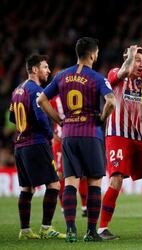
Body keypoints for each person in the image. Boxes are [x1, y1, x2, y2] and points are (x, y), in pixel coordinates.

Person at [37, 37, 116, 242]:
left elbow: (41, 99)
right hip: (91, 134)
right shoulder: (97, 78)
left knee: (70, 182)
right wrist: (102, 118)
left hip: (69, 135)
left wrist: (59, 120)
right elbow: (111, 101)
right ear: (92, 54)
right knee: (94, 183)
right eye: (96, 53)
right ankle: (91, 232)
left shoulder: (62, 76)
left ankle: (71, 229)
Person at [97, 45, 142, 240]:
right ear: (127, 58)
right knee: (116, 180)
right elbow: (124, 70)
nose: (140, 64)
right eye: (136, 61)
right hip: (118, 136)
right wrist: (131, 56)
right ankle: (102, 228)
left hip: (141, 138)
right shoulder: (116, 73)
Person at [9, 54, 65, 240]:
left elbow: (12, 118)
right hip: (36, 143)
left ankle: (25, 231)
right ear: (34, 70)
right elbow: (41, 119)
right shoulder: (36, 92)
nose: (48, 70)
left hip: (20, 145)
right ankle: (46, 228)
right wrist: (51, 136)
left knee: (27, 188)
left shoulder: (18, 89)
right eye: (45, 67)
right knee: (54, 184)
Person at [50, 95, 88, 217]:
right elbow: (46, 116)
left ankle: (85, 206)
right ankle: (63, 207)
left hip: (77, 138)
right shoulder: (54, 99)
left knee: (83, 174)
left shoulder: (78, 95)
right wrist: (52, 133)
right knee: (60, 174)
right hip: (59, 140)